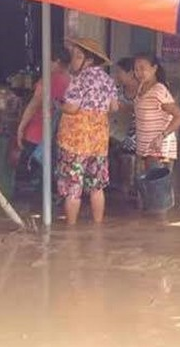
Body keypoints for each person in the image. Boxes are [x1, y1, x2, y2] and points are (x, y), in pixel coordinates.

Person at [56, 37, 119, 225]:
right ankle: (98, 226)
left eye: (77, 56)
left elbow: (72, 108)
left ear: (89, 60)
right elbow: (114, 107)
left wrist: (59, 105)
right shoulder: (108, 80)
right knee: (97, 187)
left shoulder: (79, 80)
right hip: (99, 142)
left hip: (75, 141)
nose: (73, 61)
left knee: (73, 188)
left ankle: (71, 231)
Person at [16, 48, 71, 190]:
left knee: (27, 176)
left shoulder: (48, 79)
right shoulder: (72, 81)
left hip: (37, 132)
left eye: (48, 61)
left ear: (57, 61)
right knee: (50, 173)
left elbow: (35, 104)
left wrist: (21, 127)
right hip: (59, 134)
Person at [133, 53, 180, 172]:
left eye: (142, 68)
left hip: (158, 150)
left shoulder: (159, 90)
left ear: (154, 68)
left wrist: (162, 136)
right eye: (136, 69)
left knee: (157, 183)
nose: (138, 73)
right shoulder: (141, 88)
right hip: (144, 149)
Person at [110, 57, 138, 200]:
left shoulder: (142, 91)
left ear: (131, 73)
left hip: (136, 134)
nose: (117, 76)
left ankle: (128, 187)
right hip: (118, 131)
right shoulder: (117, 91)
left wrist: (127, 108)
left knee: (128, 148)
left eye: (119, 72)